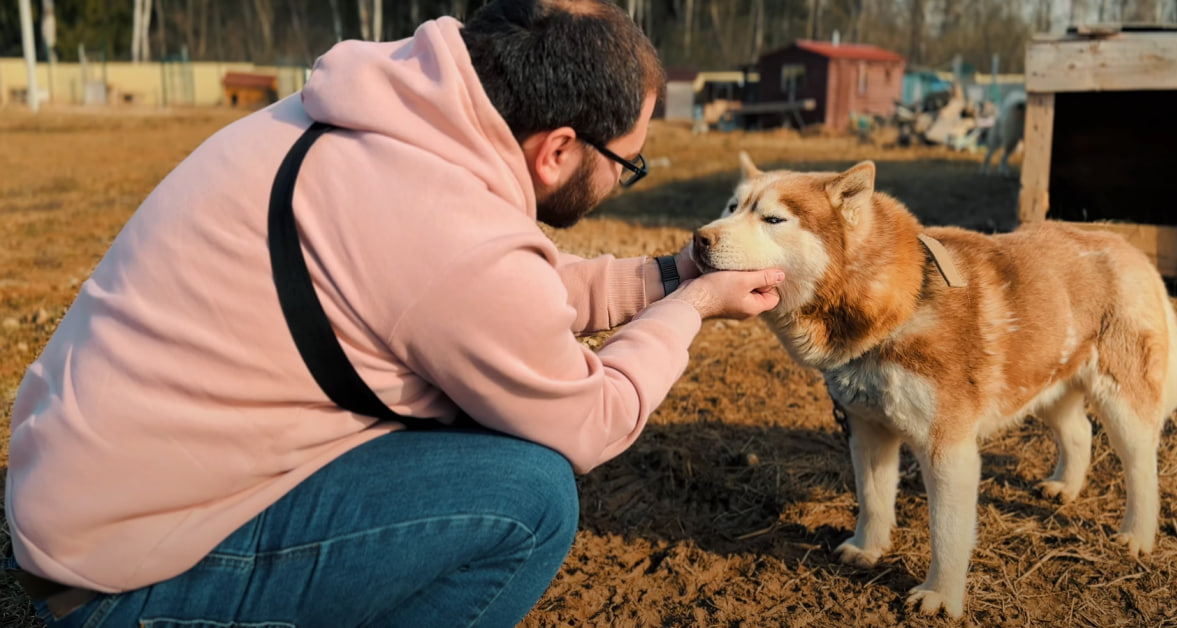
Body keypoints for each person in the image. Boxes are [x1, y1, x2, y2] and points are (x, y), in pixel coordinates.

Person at [3, 0, 785, 626]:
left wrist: (667, 275)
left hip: (84, 502)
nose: (623, 179)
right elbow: (595, 418)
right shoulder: (455, 241)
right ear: (557, 151)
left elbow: (507, 292)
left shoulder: (378, 117)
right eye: (626, 163)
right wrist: (693, 307)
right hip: (121, 582)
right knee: (531, 498)